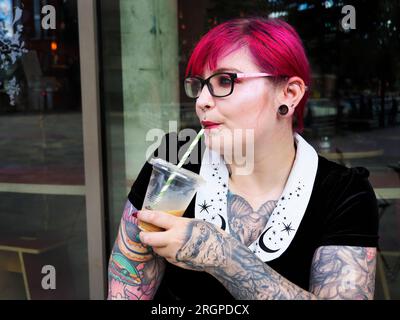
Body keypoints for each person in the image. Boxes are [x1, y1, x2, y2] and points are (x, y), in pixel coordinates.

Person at [108, 17, 379, 300]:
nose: (202, 101)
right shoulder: (176, 158)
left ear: (289, 93)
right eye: (199, 85)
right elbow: (125, 289)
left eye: (225, 80)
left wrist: (224, 256)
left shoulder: (344, 194)